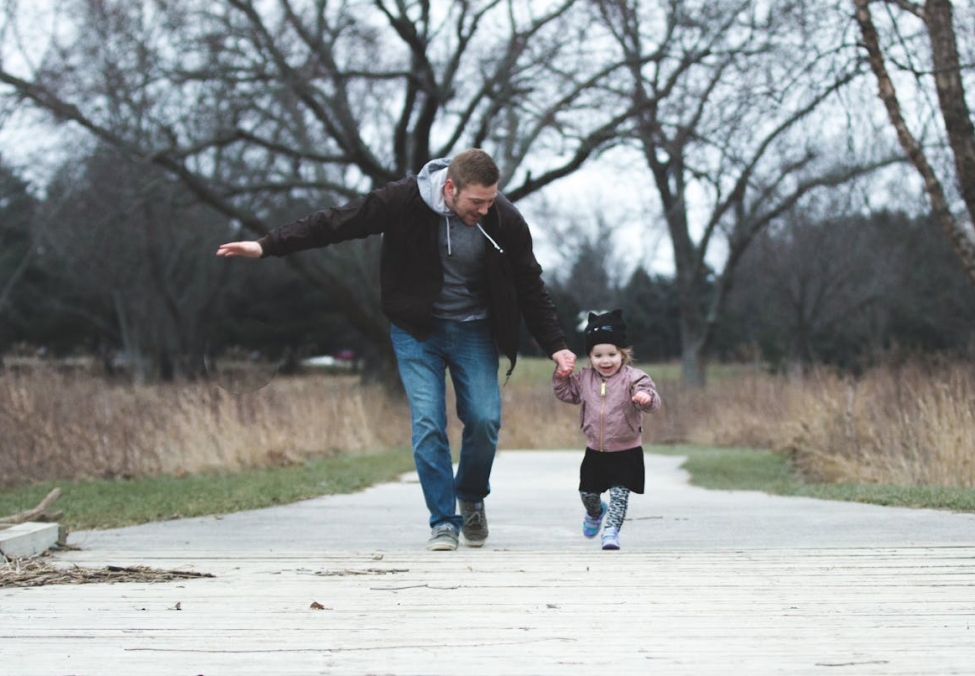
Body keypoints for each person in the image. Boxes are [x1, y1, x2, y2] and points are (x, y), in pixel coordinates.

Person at [216, 149, 576, 551]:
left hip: (473, 329)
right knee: (428, 423)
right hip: (416, 329)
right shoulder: (402, 200)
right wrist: (267, 246)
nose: (485, 209)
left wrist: (556, 347)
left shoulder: (504, 218)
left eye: (491, 200)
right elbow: (337, 222)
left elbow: (530, 283)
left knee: (484, 419)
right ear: (450, 187)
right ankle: (443, 521)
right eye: (477, 202)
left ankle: (471, 495)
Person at [552, 309, 661, 550]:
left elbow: (653, 399)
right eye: (598, 355)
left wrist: (645, 397)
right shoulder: (584, 379)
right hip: (595, 451)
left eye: (612, 354)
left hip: (626, 451)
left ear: (623, 354)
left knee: (620, 497)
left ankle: (611, 533)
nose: (606, 360)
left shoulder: (634, 378)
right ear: (590, 357)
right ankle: (595, 512)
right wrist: (561, 377)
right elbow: (566, 393)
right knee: (588, 494)